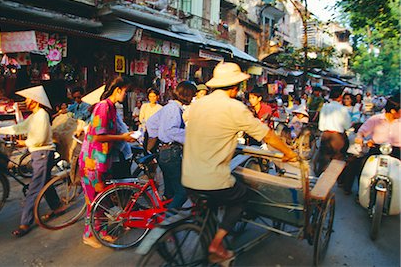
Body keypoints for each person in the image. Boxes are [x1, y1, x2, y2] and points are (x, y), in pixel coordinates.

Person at [182, 62, 297, 263]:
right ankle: (216, 244)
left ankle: (210, 241)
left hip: (188, 176)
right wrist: (288, 152)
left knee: (208, 207)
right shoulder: (235, 108)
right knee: (241, 197)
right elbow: (267, 136)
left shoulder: (198, 104)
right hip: (212, 179)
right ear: (236, 87)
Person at [0, 86, 62, 237]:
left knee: (34, 188)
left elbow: (40, 138)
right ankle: (57, 207)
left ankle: (25, 222)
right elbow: (19, 127)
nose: (26, 101)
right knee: (44, 181)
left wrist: (25, 143)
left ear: (35, 101)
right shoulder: (35, 115)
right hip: (39, 153)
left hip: (42, 152)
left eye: (28, 99)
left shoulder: (41, 115)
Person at [78, 77, 136, 248]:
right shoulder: (103, 107)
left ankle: (100, 232)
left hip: (102, 160)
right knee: (94, 201)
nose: (125, 95)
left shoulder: (111, 107)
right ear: (118, 89)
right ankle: (89, 235)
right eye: (125, 91)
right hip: (92, 162)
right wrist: (122, 137)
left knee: (101, 200)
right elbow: (97, 135)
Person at [146, 81, 196, 209]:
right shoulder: (173, 109)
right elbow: (171, 130)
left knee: (170, 191)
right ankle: (167, 223)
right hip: (171, 153)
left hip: (164, 151)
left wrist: (157, 136)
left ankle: (162, 215)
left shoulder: (169, 107)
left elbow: (151, 123)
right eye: (193, 95)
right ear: (187, 95)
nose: (193, 98)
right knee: (182, 192)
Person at [341, 93, 400, 195]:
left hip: (396, 151)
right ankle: (361, 194)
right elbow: (362, 131)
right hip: (376, 149)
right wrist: (359, 137)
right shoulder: (376, 119)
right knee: (363, 168)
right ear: (393, 110)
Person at [317, 86, 351, 175]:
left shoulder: (325, 107)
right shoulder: (343, 109)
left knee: (323, 159)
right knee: (337, 160)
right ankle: (333, 178)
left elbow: (321, 124)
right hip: (337, 137)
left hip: (326, 135)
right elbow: (347, 125)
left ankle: (320, 177)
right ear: (340, 97)